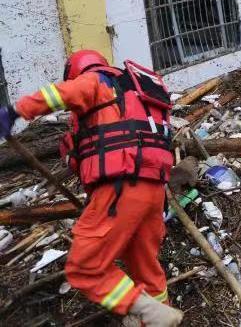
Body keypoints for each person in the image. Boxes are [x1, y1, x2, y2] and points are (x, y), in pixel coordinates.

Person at [0, 51, 182, 327]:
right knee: (145, 267)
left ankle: (150, 313)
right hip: (154, 191)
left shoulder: (95, 81)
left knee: (84, 268)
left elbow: (58, 95)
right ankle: (157, 315)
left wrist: (16, 111)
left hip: (121, 189)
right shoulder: (133, 93)